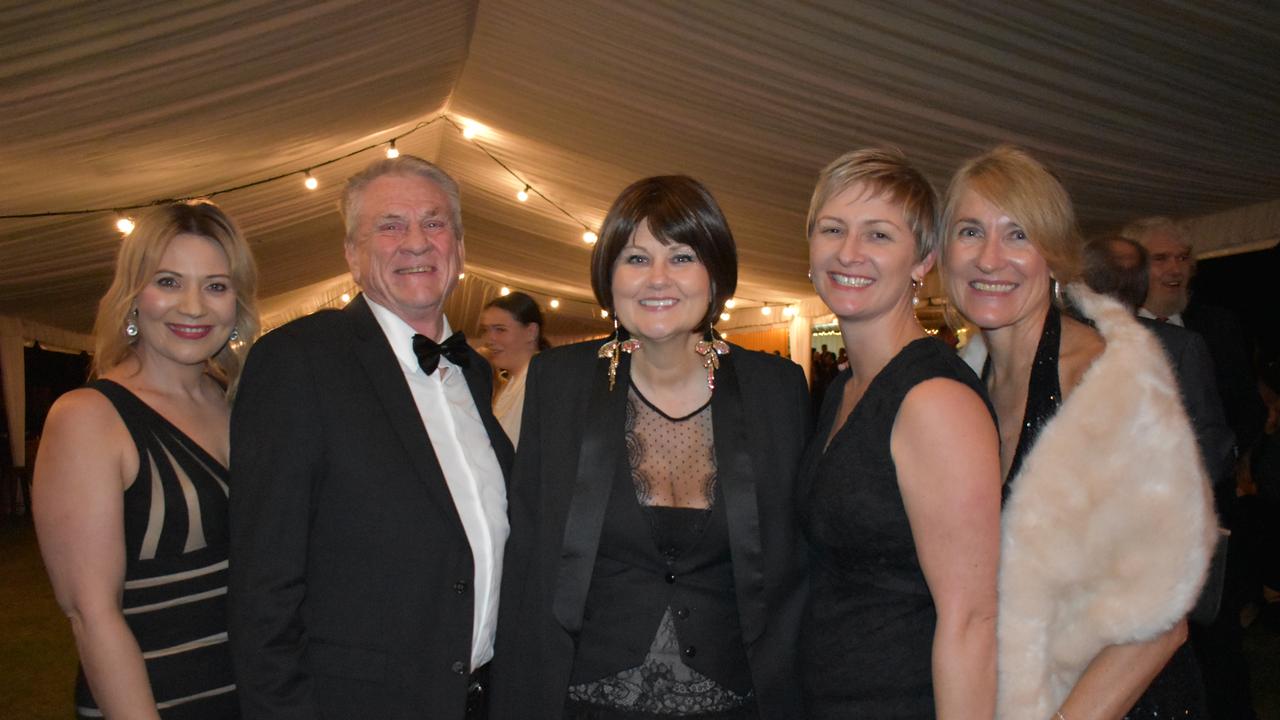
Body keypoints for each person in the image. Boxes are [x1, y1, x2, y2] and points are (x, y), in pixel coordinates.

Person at [492, 175, 809, 719]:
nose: (657, 279)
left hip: (735, 701)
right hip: (587, 701)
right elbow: (528, 558)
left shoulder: (775, 390)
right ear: (609, 277)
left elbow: (795, 567)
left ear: (715, 275)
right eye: (636, 259)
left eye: (682, 257)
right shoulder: (560, 382)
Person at [229, 155, 513, 719]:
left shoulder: (474, 373)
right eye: (390, 225)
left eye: (434, 223)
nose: (416, 242)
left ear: (458, 248)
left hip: (481, 699)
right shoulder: (298, 362)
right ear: (352, 255)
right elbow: (263, 587)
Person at [942, 145, 1217, 719]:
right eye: (970, 232)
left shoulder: (1108, 380)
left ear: (1055, 255)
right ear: (945, 253)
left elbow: (1161, 624)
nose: (990, 258)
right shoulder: (966, 385)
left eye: (1018, 235)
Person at [33, 200, 259, 718]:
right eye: (169, 282)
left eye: (216, 286)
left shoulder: (238, 407)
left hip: (254, 697)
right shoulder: (90, 417)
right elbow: (93, 615)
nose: (194, 307)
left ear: (238, 304)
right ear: (134, 296)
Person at [798, 148, 1001, 719]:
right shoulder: (845, 389)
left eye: (879, 235)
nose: (849, 252)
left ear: (923, 260)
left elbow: (972, 620)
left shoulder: (933, 401)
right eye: (832, 229)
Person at [479, 291, 550, 448]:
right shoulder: (510, 384)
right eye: (486, 330)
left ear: (531, 332)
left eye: (500, 329)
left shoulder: (543, 382)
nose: (489, 339)